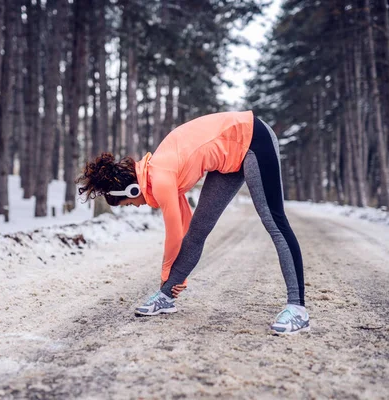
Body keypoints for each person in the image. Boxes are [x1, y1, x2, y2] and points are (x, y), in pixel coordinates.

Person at [77, 111, 309, 335]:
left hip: (253, 138)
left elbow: (174, 233)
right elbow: (189, 230)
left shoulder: (161, 177)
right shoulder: (158, 172)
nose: (136, 206)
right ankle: (166, 297)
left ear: (132, 189)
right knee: (199, 230)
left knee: (274, 221)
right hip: (229, 157)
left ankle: (298, 309)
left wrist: (167, 271)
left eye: (129, 202)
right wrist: (175, 280)